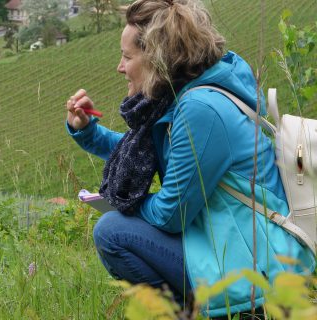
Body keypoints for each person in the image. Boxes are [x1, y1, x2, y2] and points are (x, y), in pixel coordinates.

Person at [64, 0, 315, 318]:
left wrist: (123, 203)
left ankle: (207, 312)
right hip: (230, 238)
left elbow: (172, 216)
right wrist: (88, 132)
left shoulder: (199, 110)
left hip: (258, 260)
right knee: (118, 224)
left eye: (127, 56)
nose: (120, 66)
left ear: (156, 58)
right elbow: (140, 152)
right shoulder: (189, 95)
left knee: (113, 231)